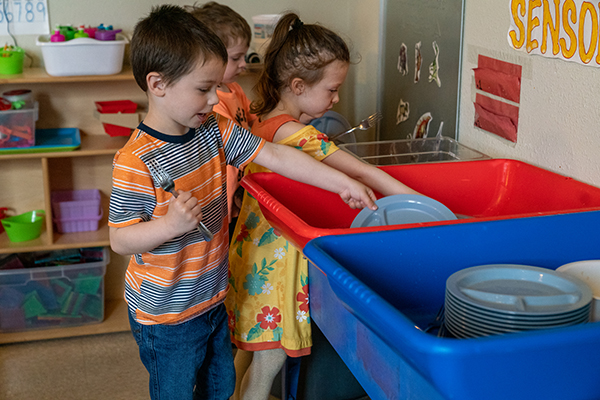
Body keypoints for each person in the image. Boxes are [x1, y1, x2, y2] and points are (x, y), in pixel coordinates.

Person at [108, 5, 378, 400]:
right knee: (177, 392)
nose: (216, 97)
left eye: (217, 86)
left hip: (212, 297)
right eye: (203, 89)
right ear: (157, 84)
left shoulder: (214, 130)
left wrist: (341, 180)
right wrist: (168, 226)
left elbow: (274, 155)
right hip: (165, 314)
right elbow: (121, 240)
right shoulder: (135, 161)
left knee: (220, 387)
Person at [225, 13, 420, 400]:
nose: (336, 100)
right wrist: (422, 205)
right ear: (298, 85)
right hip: (275, 264)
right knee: (268, 366)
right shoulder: (292, 133)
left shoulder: (265, 120)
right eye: (332, 90)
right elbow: (362, 172)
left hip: (253, 255)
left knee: (248, 357)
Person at [187, 1, 255, 240]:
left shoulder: (234, 88)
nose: (244, 64)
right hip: (224, 191)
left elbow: (253, 119)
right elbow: (238, 139)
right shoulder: (213, 102)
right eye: (236, 58)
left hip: (240, 183)